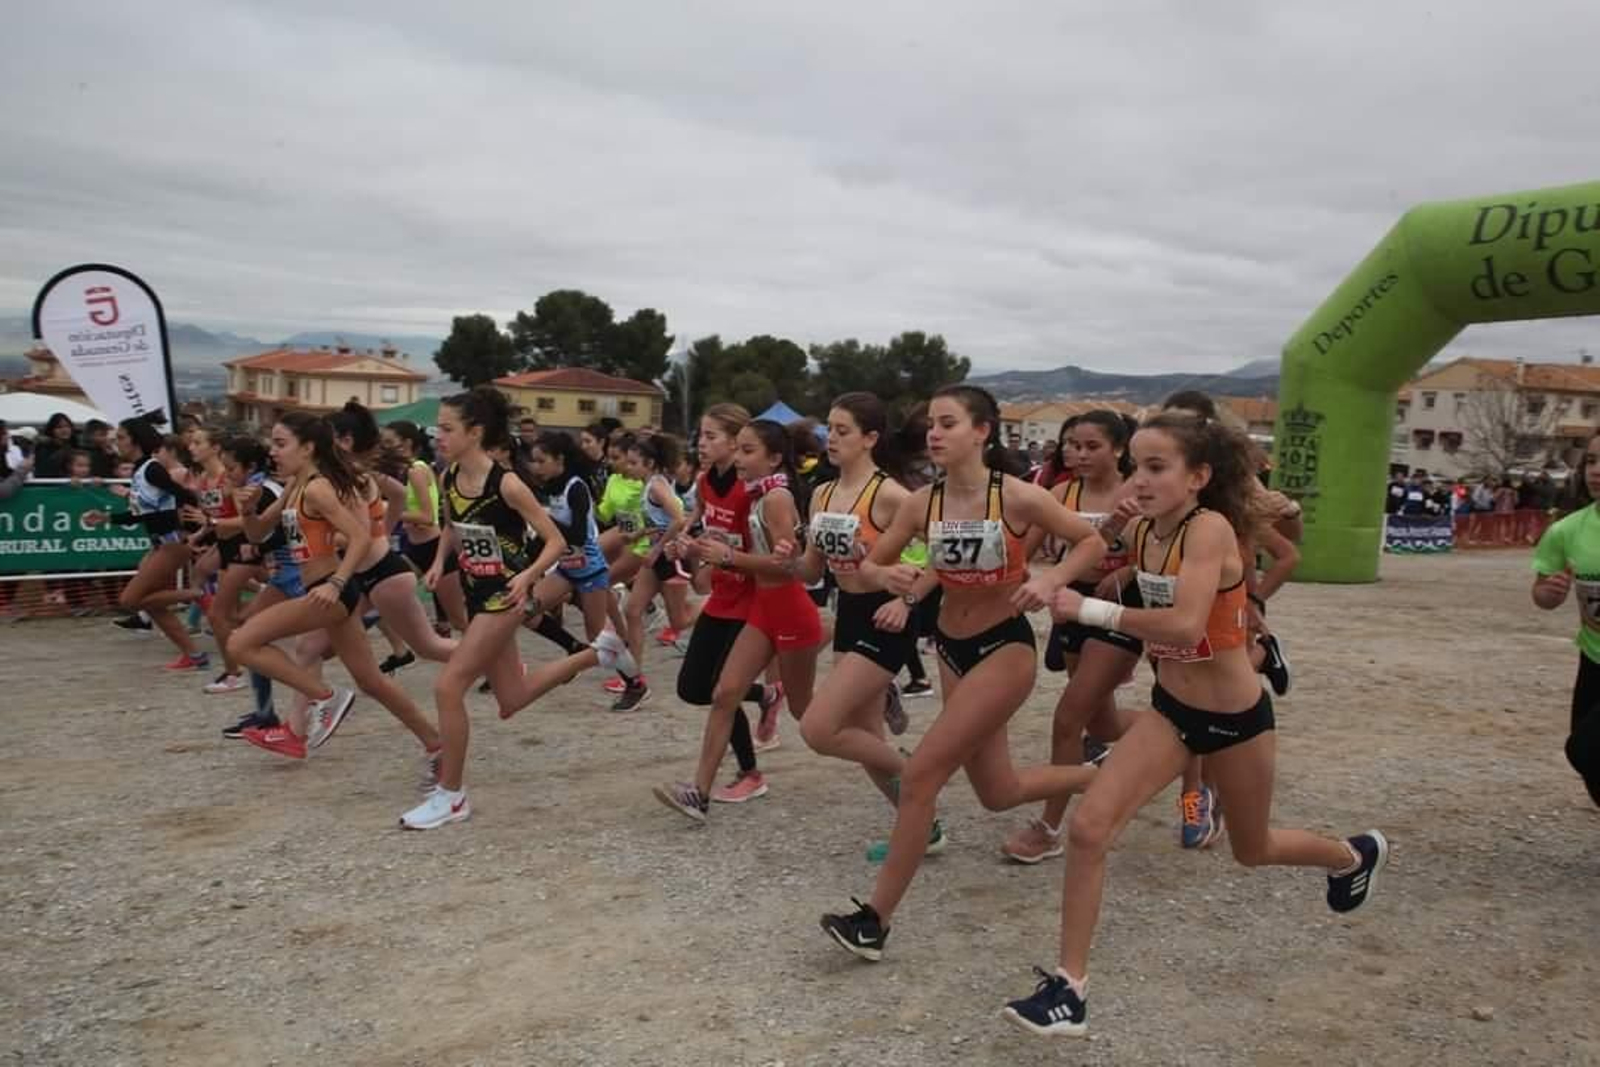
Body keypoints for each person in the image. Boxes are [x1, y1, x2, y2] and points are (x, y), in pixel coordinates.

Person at [1000, 411, 1389, 1040]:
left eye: (1157, 467)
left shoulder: (1210, 532)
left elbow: (1184, 625)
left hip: (1236, 720)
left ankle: (1352, 854)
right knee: (1092, 827)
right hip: (1172, 712)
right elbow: (1113, 560)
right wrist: (1072, 575)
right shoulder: (1152, 531)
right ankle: (1070, 988)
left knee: (1252, 849)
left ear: (1199, 477)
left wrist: (1090, 607)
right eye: (1136, 466)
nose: (1140, 479)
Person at [819, 385, 1105, 961]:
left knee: (922, 774)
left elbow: (1091, 541)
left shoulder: (1020, 498)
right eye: (930, 424)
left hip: (1005, 649)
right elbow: (872, 561)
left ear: (983, 431)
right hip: (951, 646)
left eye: (948, 423)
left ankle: (873, 920)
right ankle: (1108, 779)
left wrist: (1051, 581)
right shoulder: (923, 502)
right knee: (998, 792)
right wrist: (890, 577)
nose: (934, 433)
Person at [401, 387, 636, 830]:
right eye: (439, 430)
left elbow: (555, 540)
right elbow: (452, 526)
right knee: (512, 699)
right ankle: (599, 652)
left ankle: (451, 795)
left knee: (448, 688)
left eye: (448, 429)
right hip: (476, 595)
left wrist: (528, 578)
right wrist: (436, 565)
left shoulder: (506, 483)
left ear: (475, 432)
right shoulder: (449, 477)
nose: (439, 437)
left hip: (504, 598)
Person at [790, 393, 947, 856]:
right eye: (829, 431)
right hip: (851, 613)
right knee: (865, 737)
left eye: (842, 431)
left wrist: (908, 596)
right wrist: (787, 560)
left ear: (870, 439)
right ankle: (923, 828)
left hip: (889, 613)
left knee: (819, 729)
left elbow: (943, 554)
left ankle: (921, 775)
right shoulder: (820, 493)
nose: (831, 439)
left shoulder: (893, 495)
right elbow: (813, 572)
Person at [654, 418, 823, 817]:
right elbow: (713, 528)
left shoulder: (776, 498)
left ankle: (869, 699)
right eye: (741, 450)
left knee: (810, 717)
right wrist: (698, 548)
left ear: (775, 458)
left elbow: (792, 566)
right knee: (723, 694)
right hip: (762, 609)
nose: (740, 458)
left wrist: (728, 557)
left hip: (788, 610)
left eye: (748, 451)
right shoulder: (755, 492)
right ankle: (700, 792)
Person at [1003, 409, 1143, 864]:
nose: (1078, 454)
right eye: (1072, 445)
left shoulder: (1140, 490)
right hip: (1071, 605)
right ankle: (1182, 734)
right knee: (1100, 725)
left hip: (1122, 606)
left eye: (1090, 446)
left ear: (1119, 449)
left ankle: (1048, 827)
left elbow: (1162, 549)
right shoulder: (1061, 492)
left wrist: (1128, 566)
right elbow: (1019, 549)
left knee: (1068, 719)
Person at [86, 415, 207, 669]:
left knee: (130, 599)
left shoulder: (151, 468)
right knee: (152, 604)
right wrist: (106, 517)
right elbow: (140, 513)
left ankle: (197, 595)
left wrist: (194, 526)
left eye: (120, 437)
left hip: (172, 544)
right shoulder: (142, 471)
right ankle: (194, 655)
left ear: (135, 441)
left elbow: (186, 496)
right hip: (161, 544)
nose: (116, 442)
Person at [1530, 431, 1600, 807]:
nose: (1596, 471)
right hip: (1593, 659)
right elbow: (1541, 595)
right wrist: (1550, 593)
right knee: (1588, 763)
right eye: (1591, 461)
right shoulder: (1567, 530)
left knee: (1586, 750)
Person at [32, 412, 76, 478]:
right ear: (52, 430)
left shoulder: (74, 447)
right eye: (59, 427)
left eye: (67, 426)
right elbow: (44, 471)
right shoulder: (43, 448)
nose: (64, 430)